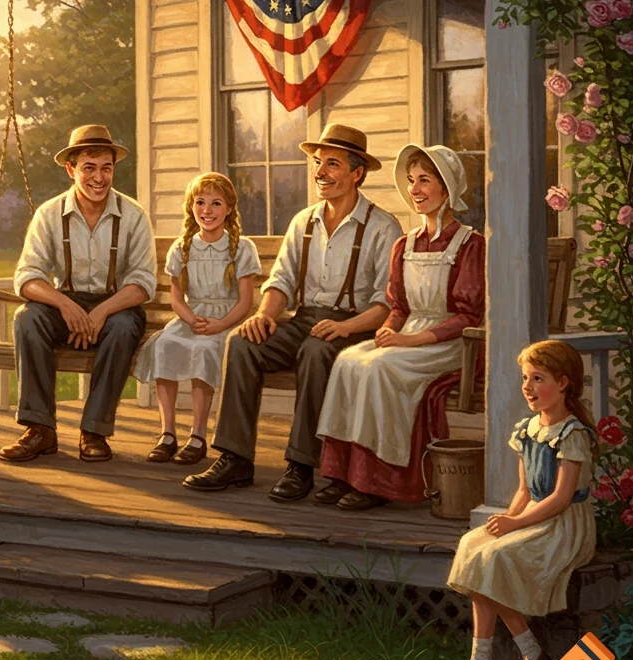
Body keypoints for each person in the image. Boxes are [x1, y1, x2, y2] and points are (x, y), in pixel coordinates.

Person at [183, 124, 403, 498]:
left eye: (331, 164)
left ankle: (301, 466)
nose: (320, 172)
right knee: (242, 343)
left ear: (357, 173)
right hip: (304, 319)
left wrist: (346, 327)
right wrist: (265, 315)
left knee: (315, 352)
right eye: (318, 163)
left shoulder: (382, 227)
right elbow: (281, 281)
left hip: (357, 327)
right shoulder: (304, 221)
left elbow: (388, 303)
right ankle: (235, 459)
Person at [317, 145, 485, 510]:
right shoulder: (404, 244)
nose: (415, 190)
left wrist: (408, 340)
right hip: (410, 334)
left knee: (379, 368)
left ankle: (379, 481)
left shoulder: (469, 244)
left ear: (447, 187)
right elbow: (399, 306)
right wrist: (388, 332)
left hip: (450, 342)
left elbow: (467, 317)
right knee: (349, 360)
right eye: (411, 181)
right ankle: (342, 473)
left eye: (424, 180)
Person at [444, 339, 598, 660]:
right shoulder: (528, 429)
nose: (528, 387)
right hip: (533, 517)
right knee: (474, 545)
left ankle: (518, 658)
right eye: (525, 378)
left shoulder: (572, 435)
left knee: (496, 558)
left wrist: (515, 526)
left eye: (538, 378)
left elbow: (559, 499)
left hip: (564, 526)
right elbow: (525, 491)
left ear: (563, 384)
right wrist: (507, 520)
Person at [0, 124, 157, 464]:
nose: (99, 177)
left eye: (106, 167)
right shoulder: (49, 214)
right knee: (27, 318)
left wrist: (100, 313)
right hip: (66, 301)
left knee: (123, 327)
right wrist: (65, 304)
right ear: (72, 170)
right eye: (89, 167)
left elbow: (143, 282)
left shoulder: (133, 215)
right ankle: (40, 430)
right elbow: (27, 277)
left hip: (116, 305)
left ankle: (94, 431)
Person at [135, 172, 262, 466]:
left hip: (226, 320)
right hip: (191, 318)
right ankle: (167, 433)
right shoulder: (183, 248)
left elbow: (245, 302)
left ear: (229, 208)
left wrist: (219, 324)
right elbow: (177, 298)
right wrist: (191, 319)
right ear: (191, 207)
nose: (207, 211)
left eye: (216, 204)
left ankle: (198, 434)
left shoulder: (241, 248)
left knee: (204, 350)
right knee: (164, 345)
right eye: (200, 202)